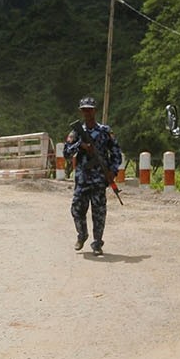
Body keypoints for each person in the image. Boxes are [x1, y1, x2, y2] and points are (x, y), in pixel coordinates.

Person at [63, 96, 122, 255]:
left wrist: (112, 171)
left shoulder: (104, 131)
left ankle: (97, 243)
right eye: (84, 110)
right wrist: (80, 145)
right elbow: (66, 152)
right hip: (82, 179)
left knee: (99, 212)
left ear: (94, 110)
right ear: (81, 112)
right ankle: (82, 234)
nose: (87, 113)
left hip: (99, 179)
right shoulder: (76, 132)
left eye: (90, 109)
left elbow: (116, 153)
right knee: (77, 209)